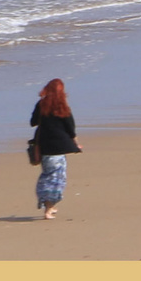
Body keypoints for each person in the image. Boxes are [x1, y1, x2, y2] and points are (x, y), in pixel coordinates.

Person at [29, 78, 81, 219]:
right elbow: (70, 128)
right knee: (57, 178)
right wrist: (76, 143)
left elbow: (33, 122)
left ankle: (48, 205)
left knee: (47, 176)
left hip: (44, 148)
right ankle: (49, 208)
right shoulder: (62, 106)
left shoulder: (41, 104)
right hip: (59, 149)